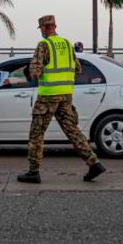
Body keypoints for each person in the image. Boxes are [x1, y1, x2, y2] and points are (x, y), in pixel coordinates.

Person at [17, 15, 105, 184]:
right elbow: (78, 68)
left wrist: (31, 71)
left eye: (41, 28)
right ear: (55, 26)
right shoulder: (66, 43)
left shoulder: (44, 45)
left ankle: (33, 172)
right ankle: (94, 163)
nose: (42, 31)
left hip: (48, 95)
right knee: (72, 131)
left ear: (44, 28)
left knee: (36, 133)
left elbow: (35, 72)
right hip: (66, 95)